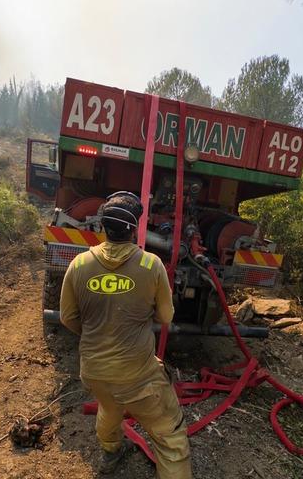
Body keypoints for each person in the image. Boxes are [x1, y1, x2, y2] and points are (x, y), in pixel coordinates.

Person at [60, 191, 192, 478]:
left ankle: (110, 450)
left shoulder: (78, 265)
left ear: (102, 226)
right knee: (170, 437)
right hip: (138, 376)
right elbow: (166, 317)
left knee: (110, 405)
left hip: (94, 371)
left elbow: (67, 318)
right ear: (133, 229)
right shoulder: (151, 265)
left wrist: (97, 331)